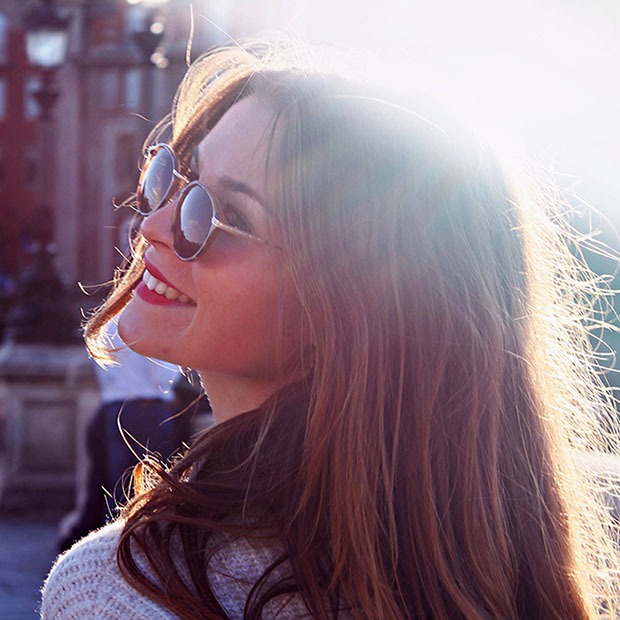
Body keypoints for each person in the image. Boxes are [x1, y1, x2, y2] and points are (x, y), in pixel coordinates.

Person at [41, 40, 620, 619]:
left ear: (344, 311)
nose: (156, 223)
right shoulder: (503, 579)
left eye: (225, 215)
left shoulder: (116, 591)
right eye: (177, 175)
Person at [56, 322, 184, 552]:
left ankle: (108, 546)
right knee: (149, 486)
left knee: (115, 484)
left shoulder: (106, 323)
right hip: (147, 408)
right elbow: (163, 376)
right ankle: (135, 548)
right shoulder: (149, 320)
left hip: (112, 406)